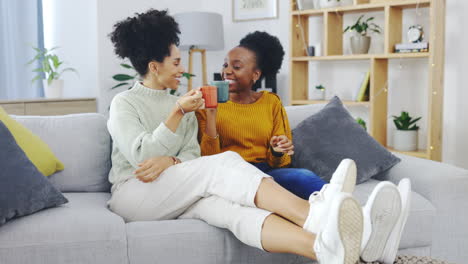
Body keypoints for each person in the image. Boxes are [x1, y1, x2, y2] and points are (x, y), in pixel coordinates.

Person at [106, 9, 409, 264]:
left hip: (175, 192)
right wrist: (176, 115)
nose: (182, 69)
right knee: (224, 162)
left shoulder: (188, 105)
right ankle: (317, 215)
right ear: (154, 66)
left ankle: (326, 249)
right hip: (134, 195)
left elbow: (191, 158)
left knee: (235, 213)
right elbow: (142, 156)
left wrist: (171, 159)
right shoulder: (126, 104)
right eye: (176, 62)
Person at [196, 31, 325, 200]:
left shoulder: (271, 102)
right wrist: (211, 112)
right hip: (232, 174)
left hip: (267, 172)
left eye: (236, 67)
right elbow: (208, 159)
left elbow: (283, 162)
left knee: (303, 176)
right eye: (225, 65)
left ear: (255, 75)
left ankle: (342, 203)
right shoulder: (207, 104)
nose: (227, 71)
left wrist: (277, 151)